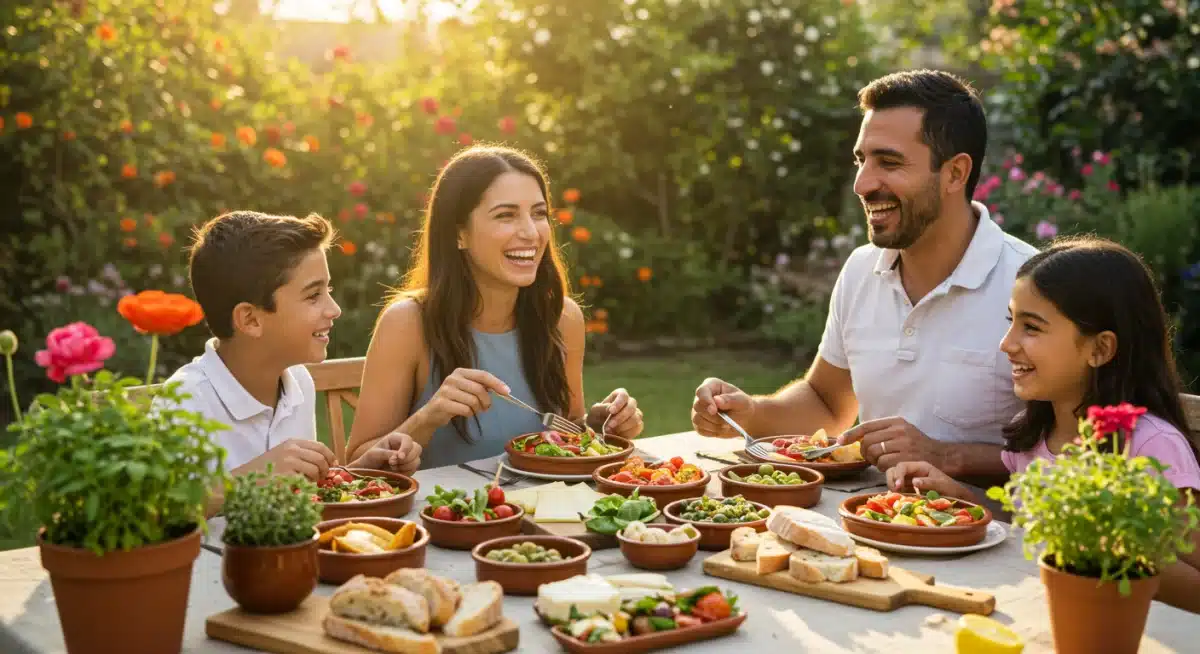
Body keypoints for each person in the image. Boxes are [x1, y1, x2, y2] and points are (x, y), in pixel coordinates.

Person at [692, 69, 1037, 485]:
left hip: (992, 525)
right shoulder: (861, 269)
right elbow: (826, 402)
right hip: (867, 515)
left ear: (955, 173)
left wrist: (947, 456)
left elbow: (1079, 458)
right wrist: (751, 411)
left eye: (888, 162)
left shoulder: (1033, 286)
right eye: (861, 161)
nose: (862, 183)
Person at [887, 236, 1200, 613]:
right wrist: (962, 497)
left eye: (1031, 328)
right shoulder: (1034, 434)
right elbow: (1030, 528)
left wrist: (1107, 549)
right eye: (1011, 322)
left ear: (1100, 349)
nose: (1006, 344)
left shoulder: (1152, 447)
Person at [345, 146, 644, 469]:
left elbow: (568, 432)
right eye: (506, 215)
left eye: (539, 213)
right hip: (443, 503)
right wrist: (428, 418)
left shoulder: (562, 318)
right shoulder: (408, 323)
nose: (531, 232)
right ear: (459, 234)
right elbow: (358, 467)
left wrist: (600, 426)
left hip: (542, 502)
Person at [163, 211, 422, 502]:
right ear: (250, 320)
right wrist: (256, 477)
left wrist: (365, 471)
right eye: (313, 295)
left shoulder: (297, 380)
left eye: (328, 289)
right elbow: (160, 514)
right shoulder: (184, 403)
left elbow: (305, 492)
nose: (334, 309)